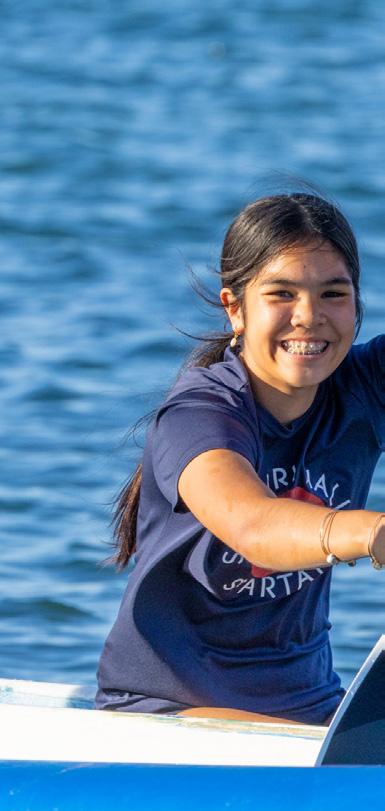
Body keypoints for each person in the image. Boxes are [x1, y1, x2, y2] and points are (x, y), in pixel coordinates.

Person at [96, 191, 385, 725]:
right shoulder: (199, 413)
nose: (309, 317)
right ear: (235, 308)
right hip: (168, 713)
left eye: (333, 294)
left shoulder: (364, 388)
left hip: (314, 709)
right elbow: (253, 527)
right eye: (282, 294)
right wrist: (372, 532)